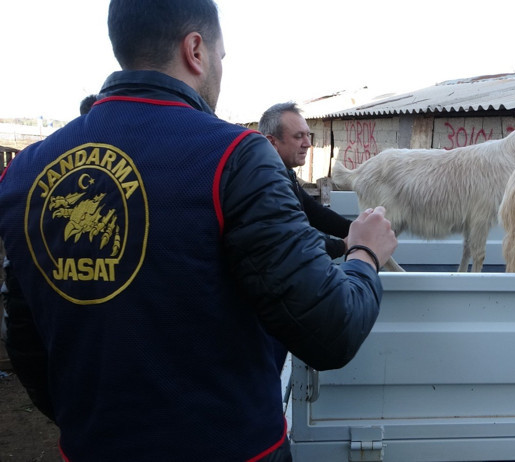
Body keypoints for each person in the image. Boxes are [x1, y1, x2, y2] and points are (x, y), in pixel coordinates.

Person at [0, 1, 397, 461]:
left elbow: (25, 339)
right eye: (220, 56)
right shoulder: (235, 157)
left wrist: (90, 424)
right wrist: (364, 253)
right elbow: (331, 330)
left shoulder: (25, 173)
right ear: (195, 50)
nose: (220, 70)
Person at [259, 102, 352, 259]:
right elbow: (295, 242)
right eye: (298, 136)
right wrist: (344, 246)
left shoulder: (283, 174)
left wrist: (357, 229)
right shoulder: (266, 184)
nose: (308, 144)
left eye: (308, 135)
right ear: (272, 142)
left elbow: (315, 213)